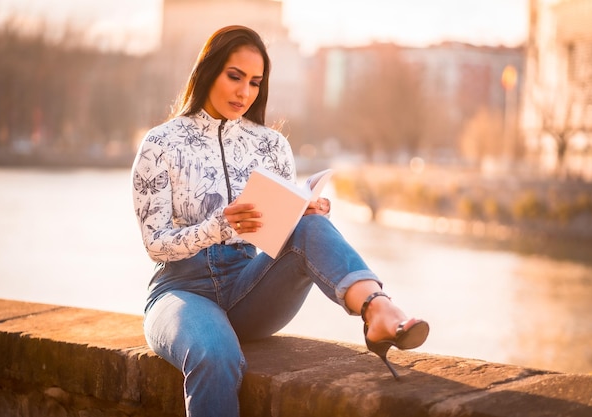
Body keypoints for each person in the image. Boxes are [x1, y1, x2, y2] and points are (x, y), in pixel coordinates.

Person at [131, 25, 429, 417]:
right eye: (234, 76)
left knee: (311, 226)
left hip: (248, 286)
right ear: (208, 71)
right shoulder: (161, 144)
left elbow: (277, 233)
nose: (244, 92)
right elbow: (156, 243)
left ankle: (377, 309)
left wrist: (299, 211)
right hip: (181, 291)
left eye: (255, 82)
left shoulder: (271, 145)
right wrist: (221, 225)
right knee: (214, 354)